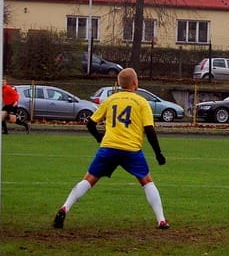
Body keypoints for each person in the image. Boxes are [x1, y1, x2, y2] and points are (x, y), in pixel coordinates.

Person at [53, 68, 170, 229]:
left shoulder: (110, 100)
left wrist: (99, 137)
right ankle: (161, 220)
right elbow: (149, 130)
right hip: (131, 150)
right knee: (147, 182)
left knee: (89, 180)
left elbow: (90, 123)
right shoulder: (142, 102)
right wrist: (158, 154)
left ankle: (65, 207)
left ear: (119, 84)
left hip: (108, 148)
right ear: (135, 83)